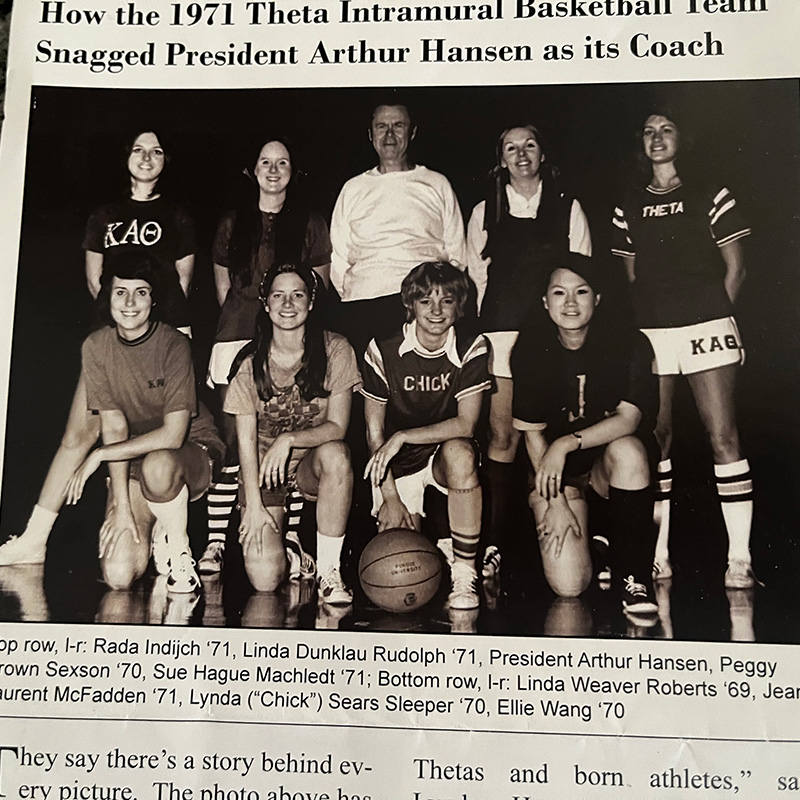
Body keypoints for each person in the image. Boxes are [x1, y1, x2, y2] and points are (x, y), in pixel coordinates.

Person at [0, 128, 196, 566]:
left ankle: (166, 534)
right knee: (78, 433)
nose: (147, 158)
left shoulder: (178, 216)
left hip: (159, 339)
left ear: (167, 161)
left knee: (160, 438)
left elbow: (180, 284)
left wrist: (153, 340)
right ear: (125, 156)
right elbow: (96, 282)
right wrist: (122, 332)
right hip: (114, 338)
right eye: (138, 149)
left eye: (157, 151)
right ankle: (34, 539)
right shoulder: (104, 214)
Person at [611, 110, 755, 589]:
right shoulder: (628, 202)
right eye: (648, 130)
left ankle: (740, 558)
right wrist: (656, 324)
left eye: (666, 129)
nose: (657, 138)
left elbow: (736, 268)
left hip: (707, 325)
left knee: (722, 436)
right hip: (655, 331)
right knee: (658, 437)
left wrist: (710, 317)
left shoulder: (712, 194)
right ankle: (659, 555)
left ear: (682, 138)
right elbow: (631, 277)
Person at [466, 124, 592, 586]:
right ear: (500, 158)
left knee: (558, 433)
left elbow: (583, 273)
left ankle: (579, 531)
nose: (521, 154)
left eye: (530, 145)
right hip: (501, 335)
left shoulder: (568, 205)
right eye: (511, 148)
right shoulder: (484, 209)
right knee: (504, 439)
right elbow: (475, 280)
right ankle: (496, 542)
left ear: (543, 153)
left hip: (553, 336)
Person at [204, 137, 331, 575]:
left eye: (283, 162)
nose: (274, 169)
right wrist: (248, 329)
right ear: (252, 170)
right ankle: (217, 541)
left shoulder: (311, 223)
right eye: (265, 162)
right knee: (236, 446)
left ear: (293, 171)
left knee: (287, 435)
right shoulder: (232, 222)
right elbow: (225, 289)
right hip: (237, 339)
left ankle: (289, 534)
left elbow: (319, 287)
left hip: (290, 343)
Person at [63, 253, 222, 594]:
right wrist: (121, 507)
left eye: (141, 292)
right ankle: (159, 525)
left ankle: (178, 547)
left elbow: (174, 434)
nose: (130, 302)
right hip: (134, 455)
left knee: (159, 465)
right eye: (121, 292)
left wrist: (99, 456)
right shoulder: (96, 347)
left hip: (189, 450)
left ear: (154, 299)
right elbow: (115, 427)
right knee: (119, 573)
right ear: (108, 297)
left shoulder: (175, 345)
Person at [511, 255, 659, 615]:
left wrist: (566, 442)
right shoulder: (530, 349)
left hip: (605, 469)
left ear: (598, 299)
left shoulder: (629, 343)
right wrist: (556, 501)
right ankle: (596, 544)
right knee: (570, 586)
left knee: (630, 451)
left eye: (582, 292)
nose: (571, 303)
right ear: (546, 302)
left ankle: (634, 577)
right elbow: (532, 438)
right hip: (557, 478)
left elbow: (628, 419)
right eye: (559, 293)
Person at [223, 263, 361, 603]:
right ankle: (291, 553)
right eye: (278, 296)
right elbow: (246, 442)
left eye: (297, 295)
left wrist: (289, 439)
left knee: (337, 454)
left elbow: (338, 427)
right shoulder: (249, 362)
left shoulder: (336, 349)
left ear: (311, 302)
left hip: (309, 463)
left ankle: (330, 572)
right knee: (265, 579)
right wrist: (253, 505)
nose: (288, 304)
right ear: (265, 303)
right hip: (264, 471)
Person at [362, 262, 491, 610]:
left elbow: (466, 424)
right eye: (425, 302)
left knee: (462, 453)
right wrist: (389, 496)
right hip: (395, 465)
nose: (436, 311)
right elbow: (374, 432)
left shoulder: (473, 345)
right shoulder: (383, 348)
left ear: (459, 305)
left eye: (446, 301)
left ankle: (465, 574)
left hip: (441, 456)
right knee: (402, 564)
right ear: (411, 305)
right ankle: (444, 539)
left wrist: (403, 435)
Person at [330, 102, 466, 360]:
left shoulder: (436, 183)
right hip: (363, 303)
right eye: (381, 127)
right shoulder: (353, 188)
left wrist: (435, 298)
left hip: (422, 306)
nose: (389, 135)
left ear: (412, 132)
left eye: (398, 126)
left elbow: (457, 252)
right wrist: (357, 292)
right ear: (371, 135)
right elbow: (337, 258)